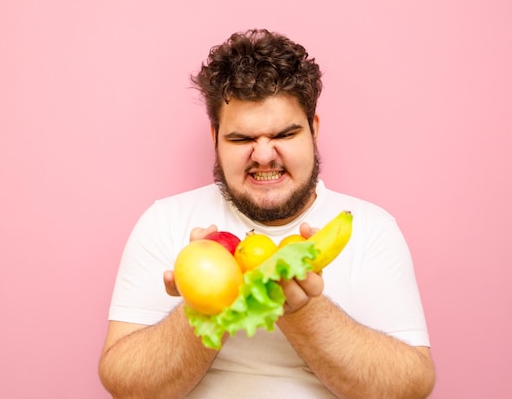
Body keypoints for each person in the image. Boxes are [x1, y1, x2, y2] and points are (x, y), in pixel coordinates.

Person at [98, 29, 435, 398]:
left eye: (284, 135)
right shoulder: (165, 222)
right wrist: (206, 305)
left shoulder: (371, 229)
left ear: (313, 131)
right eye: (242, 139)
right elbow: (123, 382)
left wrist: (303, 309)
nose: (263, 156)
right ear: (215, 139)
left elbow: (411, 387)